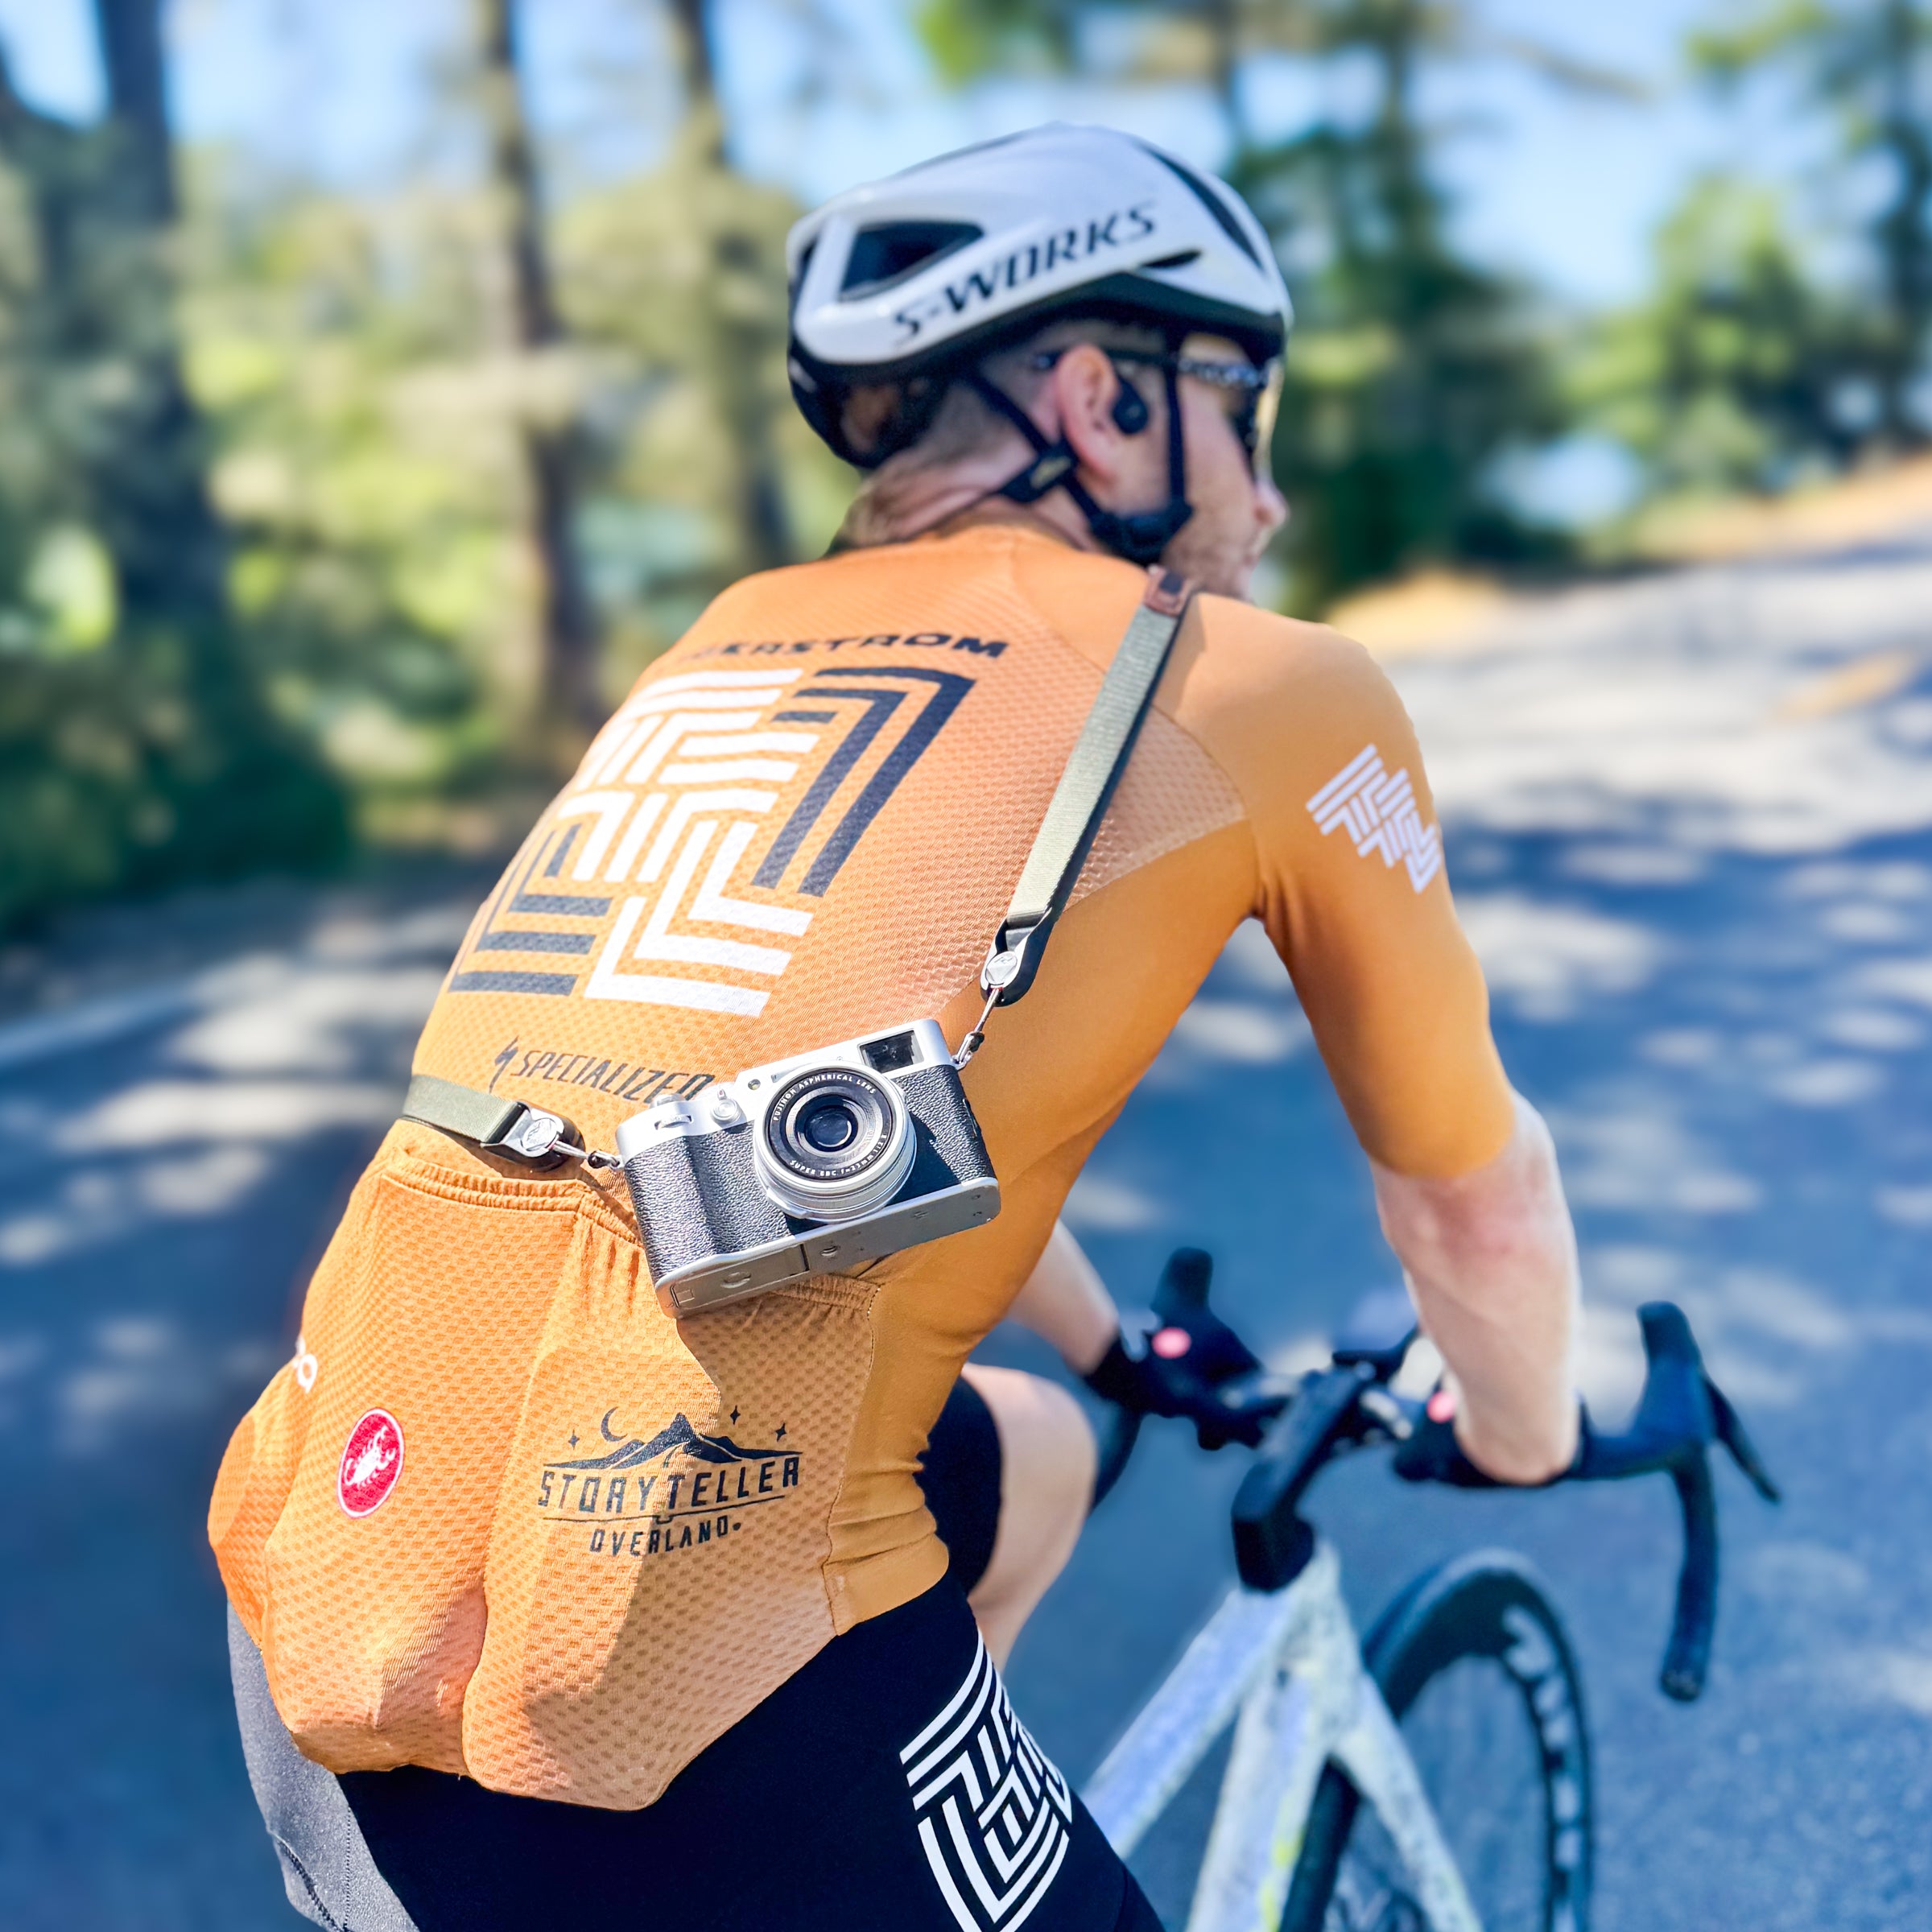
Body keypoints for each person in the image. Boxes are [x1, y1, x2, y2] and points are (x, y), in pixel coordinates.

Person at [208, 124, 1582, 1932]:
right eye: (1242, 405)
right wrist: (1525, 1431)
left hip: (323, 1590)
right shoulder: (1261, 681)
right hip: (686, 1693)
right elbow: (1472, 1210)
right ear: (1102, 400)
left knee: (1045, 1452)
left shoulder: (724, 645)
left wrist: (1116, 1354)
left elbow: (828, 1087)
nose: (1266, 492)